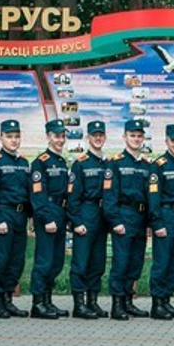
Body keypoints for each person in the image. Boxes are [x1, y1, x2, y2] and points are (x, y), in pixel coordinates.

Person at [0, 118, 31, 319]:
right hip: (2, 216)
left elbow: (28, 193)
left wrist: (30, 216)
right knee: (0, 260)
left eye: (16, 137)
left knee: (16, 260)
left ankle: (8, 299)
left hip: (20, 216)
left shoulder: (23, 162)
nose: (13, 140)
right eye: (9, 137)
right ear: (1, 137)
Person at [104, 118, 153, 321]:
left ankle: (128, 302)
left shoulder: (146, 165)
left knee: (135, 262)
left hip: (140, 218)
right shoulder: (115, 163)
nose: (136, 139)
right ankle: (117, 304)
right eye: (132, 136)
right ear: (125, 137)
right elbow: (109, 197)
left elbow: (150, 196)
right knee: (121, 261)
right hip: (123, 216)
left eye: (139, 136)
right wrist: (116, 221)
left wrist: (149, 222)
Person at [147, 124, 174, 320]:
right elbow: (153, 198)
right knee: (162, 262)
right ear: (166, 141)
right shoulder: (159, 165)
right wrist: (157, 223)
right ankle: (157, 304)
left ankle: (166, 300)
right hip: (165, 217)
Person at [28, 119, 71, 319]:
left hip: (60, 213)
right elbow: (38, 194)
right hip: (48, 212)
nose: (60, 139)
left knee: (57, 262)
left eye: (63, 136)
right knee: (44, 261)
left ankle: (48, 300)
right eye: (56, 136)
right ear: (48, 137)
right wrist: (46, 218)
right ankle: (38, 303)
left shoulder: (62, 162)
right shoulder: (41, 162)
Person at [67, 120, 110, 319]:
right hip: (86, 213)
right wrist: (77, 222)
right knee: (81, 262)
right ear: (88, 138)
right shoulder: (80, 164)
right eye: (94, 135)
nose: (98, 138)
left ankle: (93, 302)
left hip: (102, 216)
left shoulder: (109, 163)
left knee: (98, 262)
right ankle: (79, 304)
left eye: (101, 135)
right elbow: (72, 197)